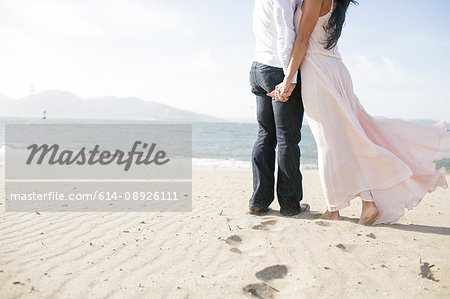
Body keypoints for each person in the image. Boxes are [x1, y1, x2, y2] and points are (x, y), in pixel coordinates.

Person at [269, 0, 450, 224]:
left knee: (328, 141)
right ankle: (367, 203)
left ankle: (333, 209)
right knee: (349, 138)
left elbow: (303, 38)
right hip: (335, 69)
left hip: (318, 72)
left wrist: (288, 79)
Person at [249, 0, 310, 216]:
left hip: (257, 66)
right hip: (277, 68)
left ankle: (259, 201)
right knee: (287, 139)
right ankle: (290, 205)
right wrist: (290, 76)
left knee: (265, 135)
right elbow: (286, 33)